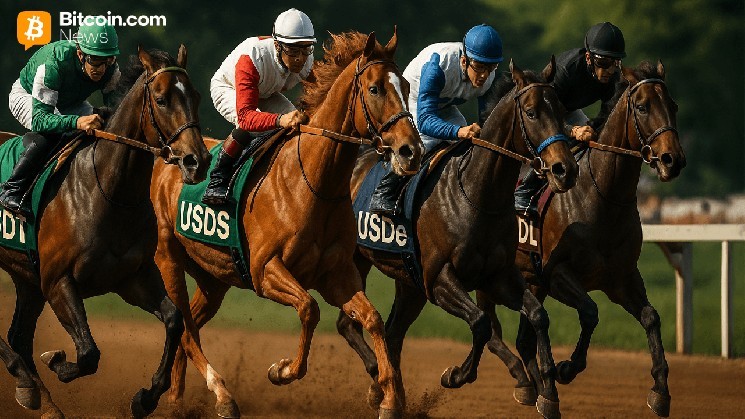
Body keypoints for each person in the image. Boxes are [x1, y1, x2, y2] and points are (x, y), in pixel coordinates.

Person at [369, 24, 504, 215]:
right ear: (464, 61)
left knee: (470, 145)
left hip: (444, 105)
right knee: (424, 144)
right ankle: (384, 192)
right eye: (480, 67)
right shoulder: (438, 66)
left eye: (490, 67)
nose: (484, 75)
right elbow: (425, 121)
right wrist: (459, 131)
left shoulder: (489, 77)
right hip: (414, 100)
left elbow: (486, 121)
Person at [2, 22, 121, 219]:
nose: (101, 68)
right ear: (80, 54)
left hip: (69, 102)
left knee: (105, 124)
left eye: (107, 60)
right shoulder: (54, 63)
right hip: (28, 97)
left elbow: (116, 112)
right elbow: (41, 119)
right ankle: (12, 189)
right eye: (94, 60)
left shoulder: (111, 69)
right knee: (51, 134)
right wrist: (76, 122)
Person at [203, 8, 316, 205]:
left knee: (299, 128)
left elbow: (321, 94)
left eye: (305, 49)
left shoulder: (308, 61)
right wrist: (281, 119)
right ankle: (217, 179)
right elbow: (247, 117)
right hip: (229, 88)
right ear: (277, 45)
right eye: (293, 50)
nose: (300, 58)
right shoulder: (252, 57)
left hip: (265, 93)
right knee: (249, 128)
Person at [514, 21, 626, 218]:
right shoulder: (566, 69)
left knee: (595, 142)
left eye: (615, 63)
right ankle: (525, 192)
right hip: (543, 112)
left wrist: (593, 129)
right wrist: (572, 131)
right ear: (589, 58)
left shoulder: (613, 77)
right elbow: (547, 114)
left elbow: (607, 113)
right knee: (557, 144)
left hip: (570, 110)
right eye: (604, 63)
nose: (609, 70)